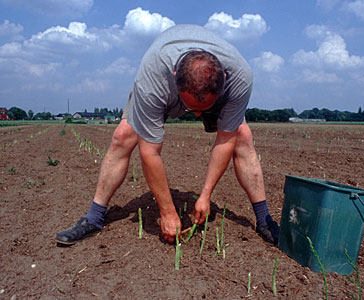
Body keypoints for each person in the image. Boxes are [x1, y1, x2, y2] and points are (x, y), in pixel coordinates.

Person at [56, 24, 279, 246]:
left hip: (213, 90)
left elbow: (226, 139)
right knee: (123, 136)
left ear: (224, 77)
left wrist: (205, 194)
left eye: (203, 109)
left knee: (242, 136)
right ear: (174, 78)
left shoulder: (240, 76)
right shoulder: (153, 78)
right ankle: (94, 218)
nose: (198, 115)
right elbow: (149, 152)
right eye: (191, 108)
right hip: (160, 81)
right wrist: (168, 212)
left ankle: (264, 220)